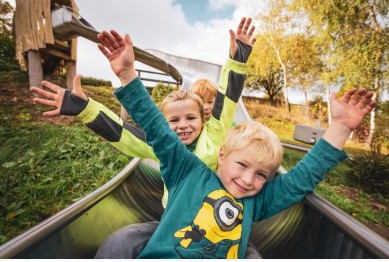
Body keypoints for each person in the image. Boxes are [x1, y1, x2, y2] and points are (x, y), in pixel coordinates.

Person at [91, 24, 376, 258]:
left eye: (262, 174)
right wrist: (127, 75)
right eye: (242, 164)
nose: (249, 179)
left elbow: (301, 179)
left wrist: (339, 128)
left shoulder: (258, 201)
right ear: (223, 156)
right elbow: (158, 130)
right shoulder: (187, 172)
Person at [31, 17, 262, 258]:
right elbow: (121, 133)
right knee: (120, 241)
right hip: (177, 224)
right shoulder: (163, 147)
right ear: (164, 124)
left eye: (190, 119)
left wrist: (237, 60)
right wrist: (85, 109)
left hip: (226, 227)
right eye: (174, 121)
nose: (183, 125)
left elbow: (226, 102)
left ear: (203, 121)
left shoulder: (214, 137)